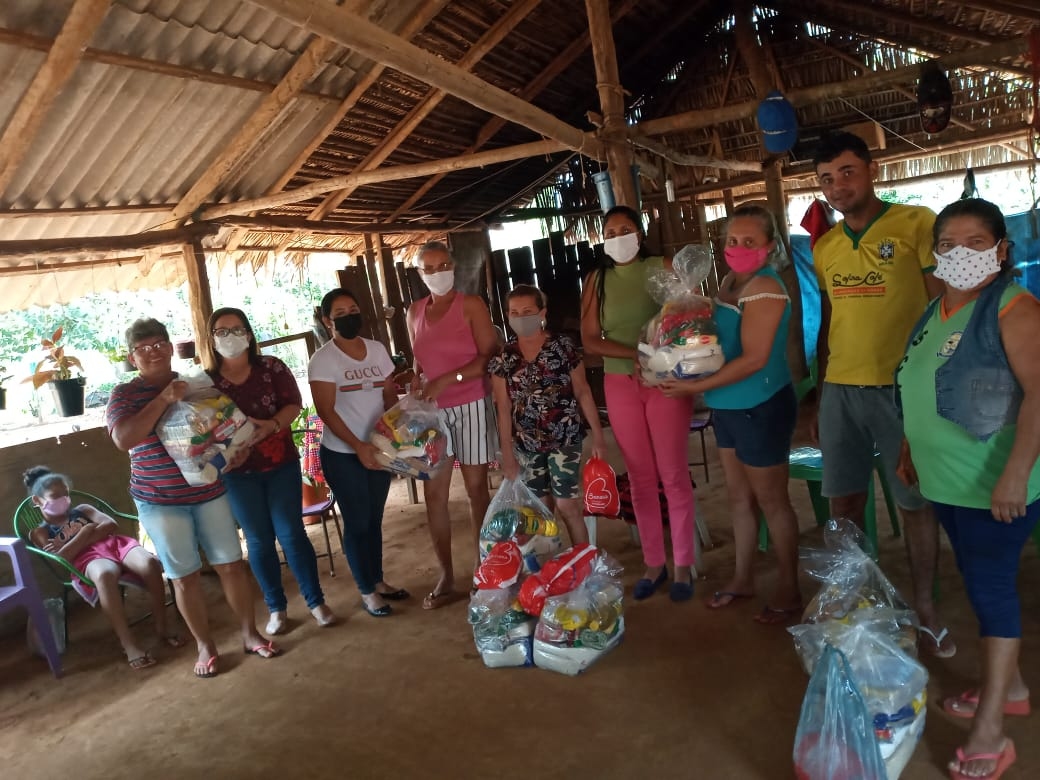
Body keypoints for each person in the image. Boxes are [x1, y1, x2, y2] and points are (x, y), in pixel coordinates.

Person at [896, 198, 1039, 780]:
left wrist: (1014, 474)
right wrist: (911, 447)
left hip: (994, 486)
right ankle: (1012, 690)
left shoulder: (1015, 308)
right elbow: (918, 383)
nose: (960, 255)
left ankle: (992, 734)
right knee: (981, 581)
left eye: (976, 243)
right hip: (947, 482)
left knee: (990, 593)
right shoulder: (935, 310)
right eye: (948, 245)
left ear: (1002, 250)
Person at [810, 131, 953, 656]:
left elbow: (944, 307)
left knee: (914, 500)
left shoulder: (916, 223)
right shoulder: (825, 247)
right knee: (842, 501)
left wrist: (935, 384)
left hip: (902, 387)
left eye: (847, 172)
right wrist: (821, 392)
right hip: (841, 392)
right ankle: (856, 602)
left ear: (871, 170)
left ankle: (925, 606)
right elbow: (829, 323)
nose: (838, 186)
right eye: (827, 179)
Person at [106, 318, 278, 678]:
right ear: (131, 356)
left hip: (209, 490)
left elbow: (222, 426)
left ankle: (249, 633)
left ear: (171, 347)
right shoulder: (123, 395)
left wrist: (234, 452)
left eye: (159, 343)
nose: (153, 352)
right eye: (143, 347)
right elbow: (124, 439)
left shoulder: (198, 384)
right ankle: (206, 646)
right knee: (184, 576)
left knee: (231, 564)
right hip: (159, 499)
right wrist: (165, 398)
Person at [660, 204, 801, 622]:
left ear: (770, 246)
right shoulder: (727, 283)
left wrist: (695, 387)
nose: (738, 248)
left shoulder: (766, 289)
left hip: (760, 404)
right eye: (732, 241)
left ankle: (789, 587)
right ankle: (743, 578)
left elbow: (756, 359)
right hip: (728, 406)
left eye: (749, 242)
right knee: (740, 498)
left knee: (771, 501)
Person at [580, 205, 697, 602]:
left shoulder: (661, 265)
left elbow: (689, 317)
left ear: (640, 232)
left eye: (625, 229)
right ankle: (654, 563)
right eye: (610, 232)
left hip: (664, 380)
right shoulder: (598, 280)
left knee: (673, 475)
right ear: (602, 238)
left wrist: (656, 355)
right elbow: (591, 338)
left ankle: (683, 565)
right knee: (641, 478)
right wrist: (635, 352)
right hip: (620, 383)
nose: (618, 237)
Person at [201, 307, 337, 634]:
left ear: (249, 334)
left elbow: (294, 404)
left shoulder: (272, 367)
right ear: (211, 338)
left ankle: (315, 601)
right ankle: (276, 608)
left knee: (291, 532)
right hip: (236, 473)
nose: (230, 337)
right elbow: (200, 429)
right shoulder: (206, 382)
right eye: (222, 331)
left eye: (237, 329)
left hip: (280, 465)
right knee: (258, 540)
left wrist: (273, 424)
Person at [406, 241, 500, 610]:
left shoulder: (471, 305)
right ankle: (446, 573)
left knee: (477, 488)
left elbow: (490, 358)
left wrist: (448, 379)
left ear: (453, 266)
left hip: (472, 404)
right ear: (420, 274)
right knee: (435, 496)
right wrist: (416, 380)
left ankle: (483, 565)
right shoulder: (413, 312)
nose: (438, 272)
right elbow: (419, 363)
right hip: (433, 415)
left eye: (444, 264)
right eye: (429, 268)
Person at [309, 288, 409, 618]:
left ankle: (377, 580)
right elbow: (326, 411)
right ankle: (367, 591)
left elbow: (388, 395)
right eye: (340, 313)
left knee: (374, 519)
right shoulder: (323, 360)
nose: (349, 315)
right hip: (343, 453)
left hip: (378, 448)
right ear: (328, 321)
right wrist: (358, 446)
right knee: (357, 521)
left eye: (353, 309)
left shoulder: (377, 350)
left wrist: (395, 435)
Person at [23, 466, 184, 669]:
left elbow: (110, 525)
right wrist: (86, 531)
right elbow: (62, 557)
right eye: (56, 496)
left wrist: (75, 541)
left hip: (116, 544)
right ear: (37, 501)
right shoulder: (40, 532)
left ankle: (162, 627)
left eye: (66, 494)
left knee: (149, 564)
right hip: (87, 559)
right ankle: (129, 644)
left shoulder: (83, 510)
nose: (64, 499)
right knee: (105, 575)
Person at [489, 284, 608, 545]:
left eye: (528, 311)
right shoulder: (505, 357)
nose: (521, 318)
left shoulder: (563, 347)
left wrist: (598, 437)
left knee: (567, 505)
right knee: (540, 511)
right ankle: (548, 573)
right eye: (514, 312)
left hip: (565, 438)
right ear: (507, 317)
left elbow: (583, 391)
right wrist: (507, 454)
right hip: (527, 444)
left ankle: (583, 565)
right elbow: (504, 407)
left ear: (542, 312)